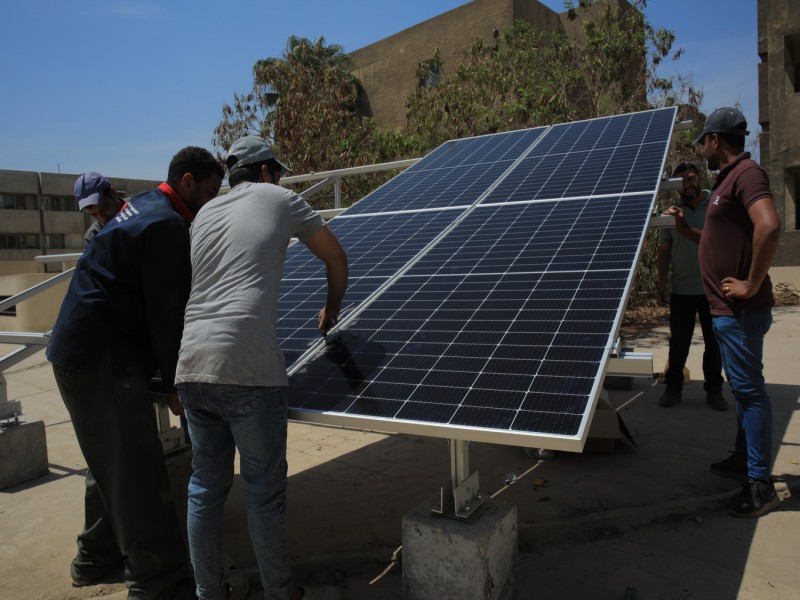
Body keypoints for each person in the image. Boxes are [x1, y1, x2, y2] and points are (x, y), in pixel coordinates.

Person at [46, 147, 225, 598]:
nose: (211, 200)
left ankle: (96, 558)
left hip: (78, 351)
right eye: (208, 191)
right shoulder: (166, 226)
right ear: (186, 182)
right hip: (103, 359)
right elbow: (167, 316)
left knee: (111, 463)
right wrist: (173, 384)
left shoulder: (144, 204)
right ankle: (158, 582)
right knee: (139, 474)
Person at [175, 136, 348, 600]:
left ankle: (208, 592)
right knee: (263, 492)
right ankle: (279, 592)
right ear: (267, 171)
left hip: (191, 363)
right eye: (280, 172)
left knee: (205, 488)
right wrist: (330, 310)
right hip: (247, 367)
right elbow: (336, 257)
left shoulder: (204, 214)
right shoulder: (282, 198)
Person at [666, 107, 781, 518]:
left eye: (705, 142)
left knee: (750, 394)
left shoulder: (747, 176)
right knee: (745, 390)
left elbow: (769, 226)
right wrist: (686, 233)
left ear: (716, 140)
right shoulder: (728, 181)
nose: (704, 150)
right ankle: (742, 459)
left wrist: (749, 284)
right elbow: (720, 238)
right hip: (730, 311)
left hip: (740, 311)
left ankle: (759, 485)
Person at [657, 162, 726, 410]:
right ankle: (673, 389)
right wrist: (662, 283)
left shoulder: (716, 206)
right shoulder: (671, 214)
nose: (687, 184)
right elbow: (664, 252)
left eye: (690, 178)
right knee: (679, 343)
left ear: (699, 178)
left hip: (712, 288)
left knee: (714, 343)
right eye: (681, 181)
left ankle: (714, 390)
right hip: (681, 290)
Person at [73, 171, 125, 246]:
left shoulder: (140, 208)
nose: (102, 218)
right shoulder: (94, 238)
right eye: (94, 215)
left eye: (104, 209)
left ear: (113, 193)